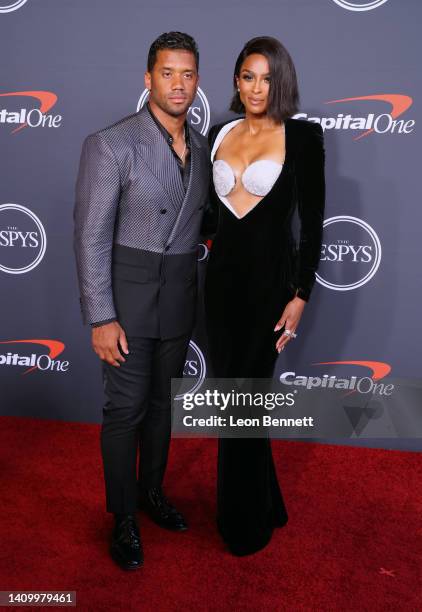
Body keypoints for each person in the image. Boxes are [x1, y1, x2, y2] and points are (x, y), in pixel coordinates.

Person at [73, 32, 210, 570]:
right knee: (125, 410)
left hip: (178, 293)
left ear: (197, 81)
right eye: (168, 73)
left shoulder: (203, 144)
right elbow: (89, 235)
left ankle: (152, 493)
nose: (178, 85)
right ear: (148, 78)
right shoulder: (112, 144)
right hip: (127, 298)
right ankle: (123, 515)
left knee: (160, 408)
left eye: (188, 74)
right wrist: (101, 316)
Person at [203, 36, 325, 556]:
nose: (257, 87)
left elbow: (312, 223)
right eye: (248, 76)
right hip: (222, 287)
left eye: (267, 78)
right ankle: (265, 502)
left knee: (243, 402)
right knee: (235, 397)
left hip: (271, 289)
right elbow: (207, 216)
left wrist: (300, 293)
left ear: (282, 82)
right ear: (235, 80)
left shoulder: (302, 136)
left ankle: (244, 524)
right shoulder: (217, 132)